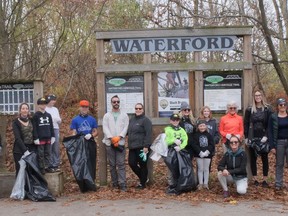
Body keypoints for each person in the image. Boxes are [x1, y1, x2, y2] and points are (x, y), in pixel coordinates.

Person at [244, 89, 272, 187]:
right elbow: (246, 123)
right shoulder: (249, 109)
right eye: (256, 95)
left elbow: (270, 124)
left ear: (262, 96)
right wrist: (246, 137)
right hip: (253, 136)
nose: (258, 97)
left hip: (263, 136)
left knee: (265, 158)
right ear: (254, 97)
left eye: (259, 95)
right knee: (253, 158)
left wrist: (266, 136)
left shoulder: (268, 109)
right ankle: (255, 179)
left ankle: (265, 180)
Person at [102, 95, 129, 192]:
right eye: (114, 102)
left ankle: (123, 184)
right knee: (112, 164)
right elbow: (105, 127)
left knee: (121, 164)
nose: (116, 103)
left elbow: (126, 127)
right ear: (111, 103)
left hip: (120, 143)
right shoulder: (106, 116)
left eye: (117, 101)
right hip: (109, 143)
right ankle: (114, 183)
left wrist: (120, 137)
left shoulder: (124, 115)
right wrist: (111, 138)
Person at [70, 100, 98, 182]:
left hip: (90, 142)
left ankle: (92, 180)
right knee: (81, 162)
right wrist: (75, 139)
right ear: (80, 108)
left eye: (86, 107)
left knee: (91, 161)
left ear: (88, 108)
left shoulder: (92, 119)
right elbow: (73, 132)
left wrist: (91, 135)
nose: (84, 109)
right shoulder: (75, 120)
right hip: (80, 143)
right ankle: (83, 181)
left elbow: (96, 131)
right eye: (83, 107)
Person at [128, 103, 152, 189]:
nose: (138, 110)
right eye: (136, 108)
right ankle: (144, 178)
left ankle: (142, 183)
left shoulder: (146, 120)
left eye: (140, 108)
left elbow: (148, 134)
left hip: (142, 147)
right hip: (132, 147)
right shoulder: (132, 120)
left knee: (143, 165)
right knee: (132, 163)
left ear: (143, 110)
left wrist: (146, 146)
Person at [164, 113, 188, 194]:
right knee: (171, 168)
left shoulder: (182, 130)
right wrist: (173, 141)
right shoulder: (167, 129)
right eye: (173, 120)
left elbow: (185, 139)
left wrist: (181, 146)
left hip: (180, 151)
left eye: (177, 120)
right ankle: (171, 185)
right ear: (170, 121)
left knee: (180, 167)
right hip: (171, 151)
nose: (175, 121)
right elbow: (165, 140)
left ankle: (179, 184)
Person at [268, 97, 288, 193]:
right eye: (281, 105)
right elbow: (270, 132)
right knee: (280, 164)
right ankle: (278, 183)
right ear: (277, 106)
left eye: (284, 104)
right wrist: (272, 146)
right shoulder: (273, 117)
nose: (283, 106)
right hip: (279, 143)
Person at [12, 103, 36, 176]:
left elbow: (35, 133)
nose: (25, 110)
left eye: (26, 108)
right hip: (19, 150)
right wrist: (25, 150)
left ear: (28, 110)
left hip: (31, 148)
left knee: (31, 171)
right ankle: (20, 187)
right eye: (23, 108)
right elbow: (18, 138)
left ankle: (29, 187)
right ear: (20, 110)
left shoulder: (32, 120)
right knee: (20, 171)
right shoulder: (15, 122)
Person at [32, 97, 55, 175]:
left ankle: (47, 166)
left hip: (48, 137)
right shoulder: (35, 115)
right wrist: (35, 137)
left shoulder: (48, 115)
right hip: (40, 138)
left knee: (48, 153)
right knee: (40, 154)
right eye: (41, 104)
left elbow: (51, 126)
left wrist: (53, 136)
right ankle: (41, 168)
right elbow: (34, 128)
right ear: (38, 105)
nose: (43, 105)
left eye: (45, 104)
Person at [191, 120, 214, 190]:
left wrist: (207, 151)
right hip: (199, 155)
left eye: (203, 126)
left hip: (207, 155)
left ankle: (205, 183)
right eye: (200, 126)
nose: (202, 127)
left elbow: (211, 144)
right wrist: (200, 152)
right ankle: (200, 183)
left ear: (206, 126)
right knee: (200, 169)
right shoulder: (195, 135)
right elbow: (194, 145)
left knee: (206, 169)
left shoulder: (209, 135)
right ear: (198, 127)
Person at [45, 94, 62, 172]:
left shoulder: (55, 109)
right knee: (49, 146)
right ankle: (50, 164)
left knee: (56, 146)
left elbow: (59, 120)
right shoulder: (45, 109)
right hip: (48, 129)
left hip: (55, 128)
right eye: (52, 100)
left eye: (54, 100)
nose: (53, 102)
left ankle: (56, 164)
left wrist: (57, 119)